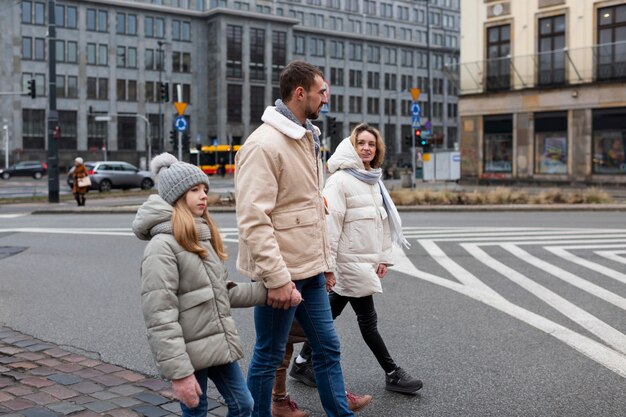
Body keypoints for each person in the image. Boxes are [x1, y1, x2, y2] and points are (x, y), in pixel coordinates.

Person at [235, 61, 358, 417]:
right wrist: (276, 279)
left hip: (311, 269)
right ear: (300, 93)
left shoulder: (306, 137)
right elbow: (253, 220)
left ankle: (340, 413)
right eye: (322, 92)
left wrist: (326, 265)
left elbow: (311, 211)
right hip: (282, 273)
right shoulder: (264, 144)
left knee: (328, 346)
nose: (326, 100)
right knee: (270, 353)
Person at [132, 153, 281, 417]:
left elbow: (222, 292)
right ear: (177, 196)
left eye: (204, 189)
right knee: (196, 409)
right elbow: (160, 317)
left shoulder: (200, 236)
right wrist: (180, 374)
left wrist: (268, 292)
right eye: (194, 190)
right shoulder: (161, 247)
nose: (203, 195)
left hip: (216, 341)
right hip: (188, 351)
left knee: (244, 404)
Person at [290, 124, 423, 395]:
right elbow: (330, 226)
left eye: (371, 144)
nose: (366, 148)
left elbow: (381, 224)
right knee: (367, 320)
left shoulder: (372, 179)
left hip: (362, 262)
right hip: (347, 264)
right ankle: (392, 372)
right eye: (361, 143)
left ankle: (303, 362)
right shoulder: (340, 181)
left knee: (328, 314)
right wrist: (328, 267)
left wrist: (384, 258)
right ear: (352, 145)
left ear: (377, 149)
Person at [271, 276, 372, 417]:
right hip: (284, 277)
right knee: (278, 348)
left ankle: (339, 402)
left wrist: (327, 269)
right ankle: (279, 401)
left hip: (312, 273)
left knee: (327, 345)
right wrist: (276, 277)